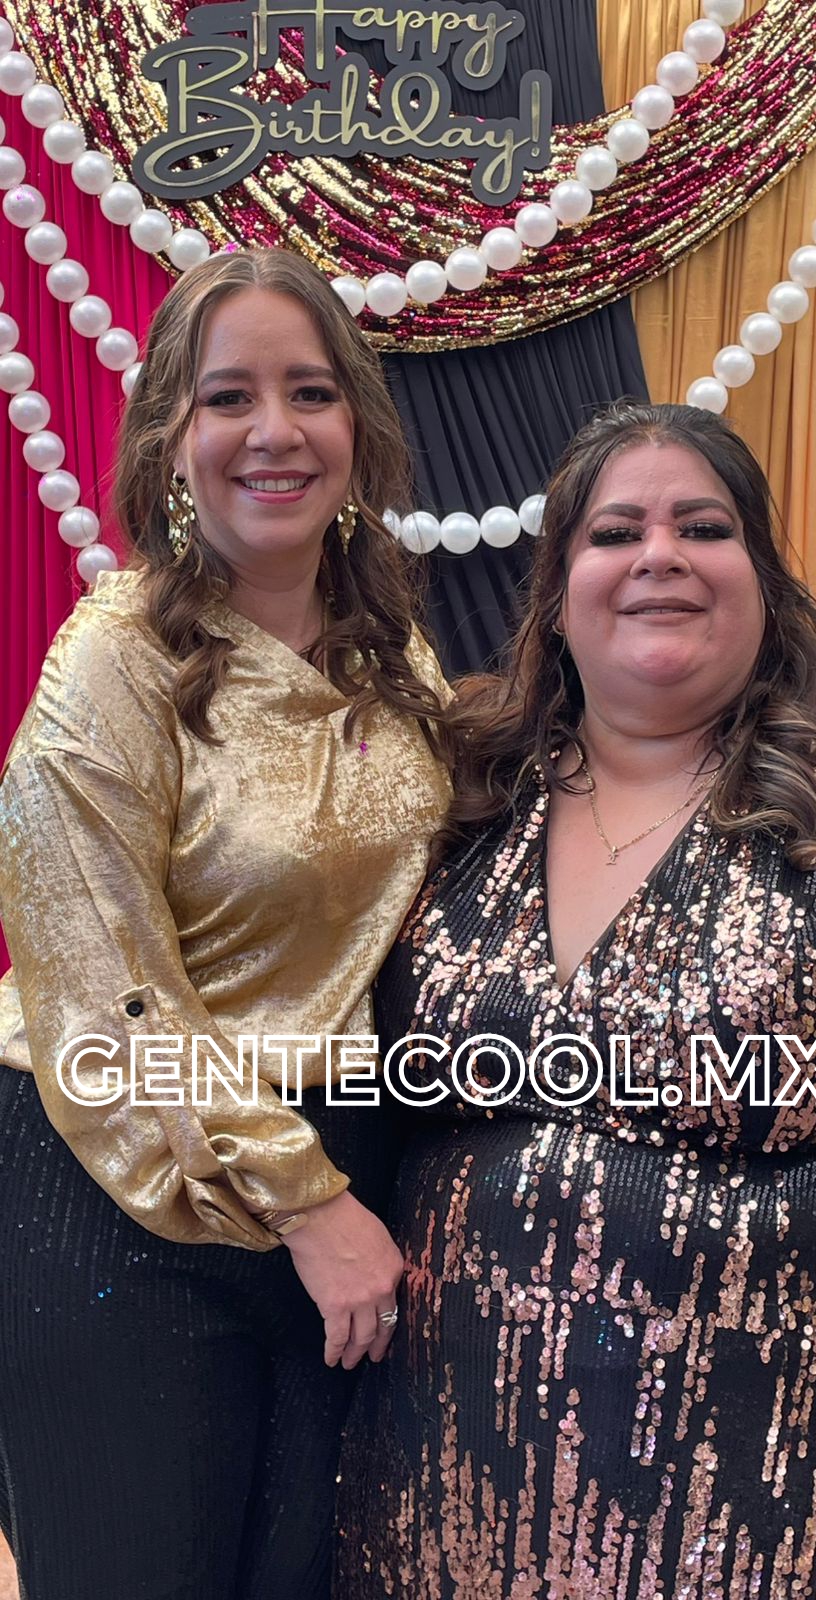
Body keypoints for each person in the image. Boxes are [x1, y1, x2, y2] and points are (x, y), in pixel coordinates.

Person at [336, 402, 816, 1599]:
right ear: (555, 592)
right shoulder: (461, 791)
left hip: (778, 1501)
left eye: (704, 526)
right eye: (615, 532)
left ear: (764, 577)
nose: (659, 555)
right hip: (448, 1492)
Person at [0, 247, 453, 1600]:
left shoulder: (392, 654)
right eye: (228, 397)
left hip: (342, 1175)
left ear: (356, 428)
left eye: (310, 392)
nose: (275, 431)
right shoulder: (114, 660)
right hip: (124, 1184)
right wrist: (309, 1203)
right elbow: (105, 993)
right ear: (168, 439)